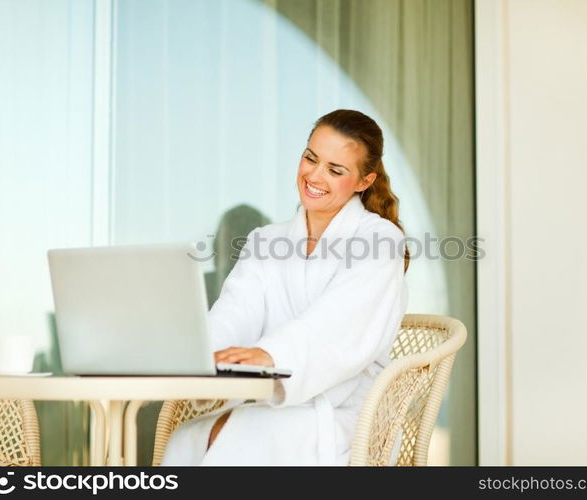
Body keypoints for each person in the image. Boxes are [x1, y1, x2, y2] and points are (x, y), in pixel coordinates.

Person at [161, 109, 410, 466]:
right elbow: (236, 310)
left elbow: (340, 322)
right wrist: (206, 352)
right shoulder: (267, 239)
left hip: (342, 411)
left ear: (364, 181)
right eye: (311, 158)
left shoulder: (380, 239)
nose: (314, 175)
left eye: (335, 170)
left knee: (240, 439)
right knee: (187, 439)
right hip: (270, 401)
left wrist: (272, 355)